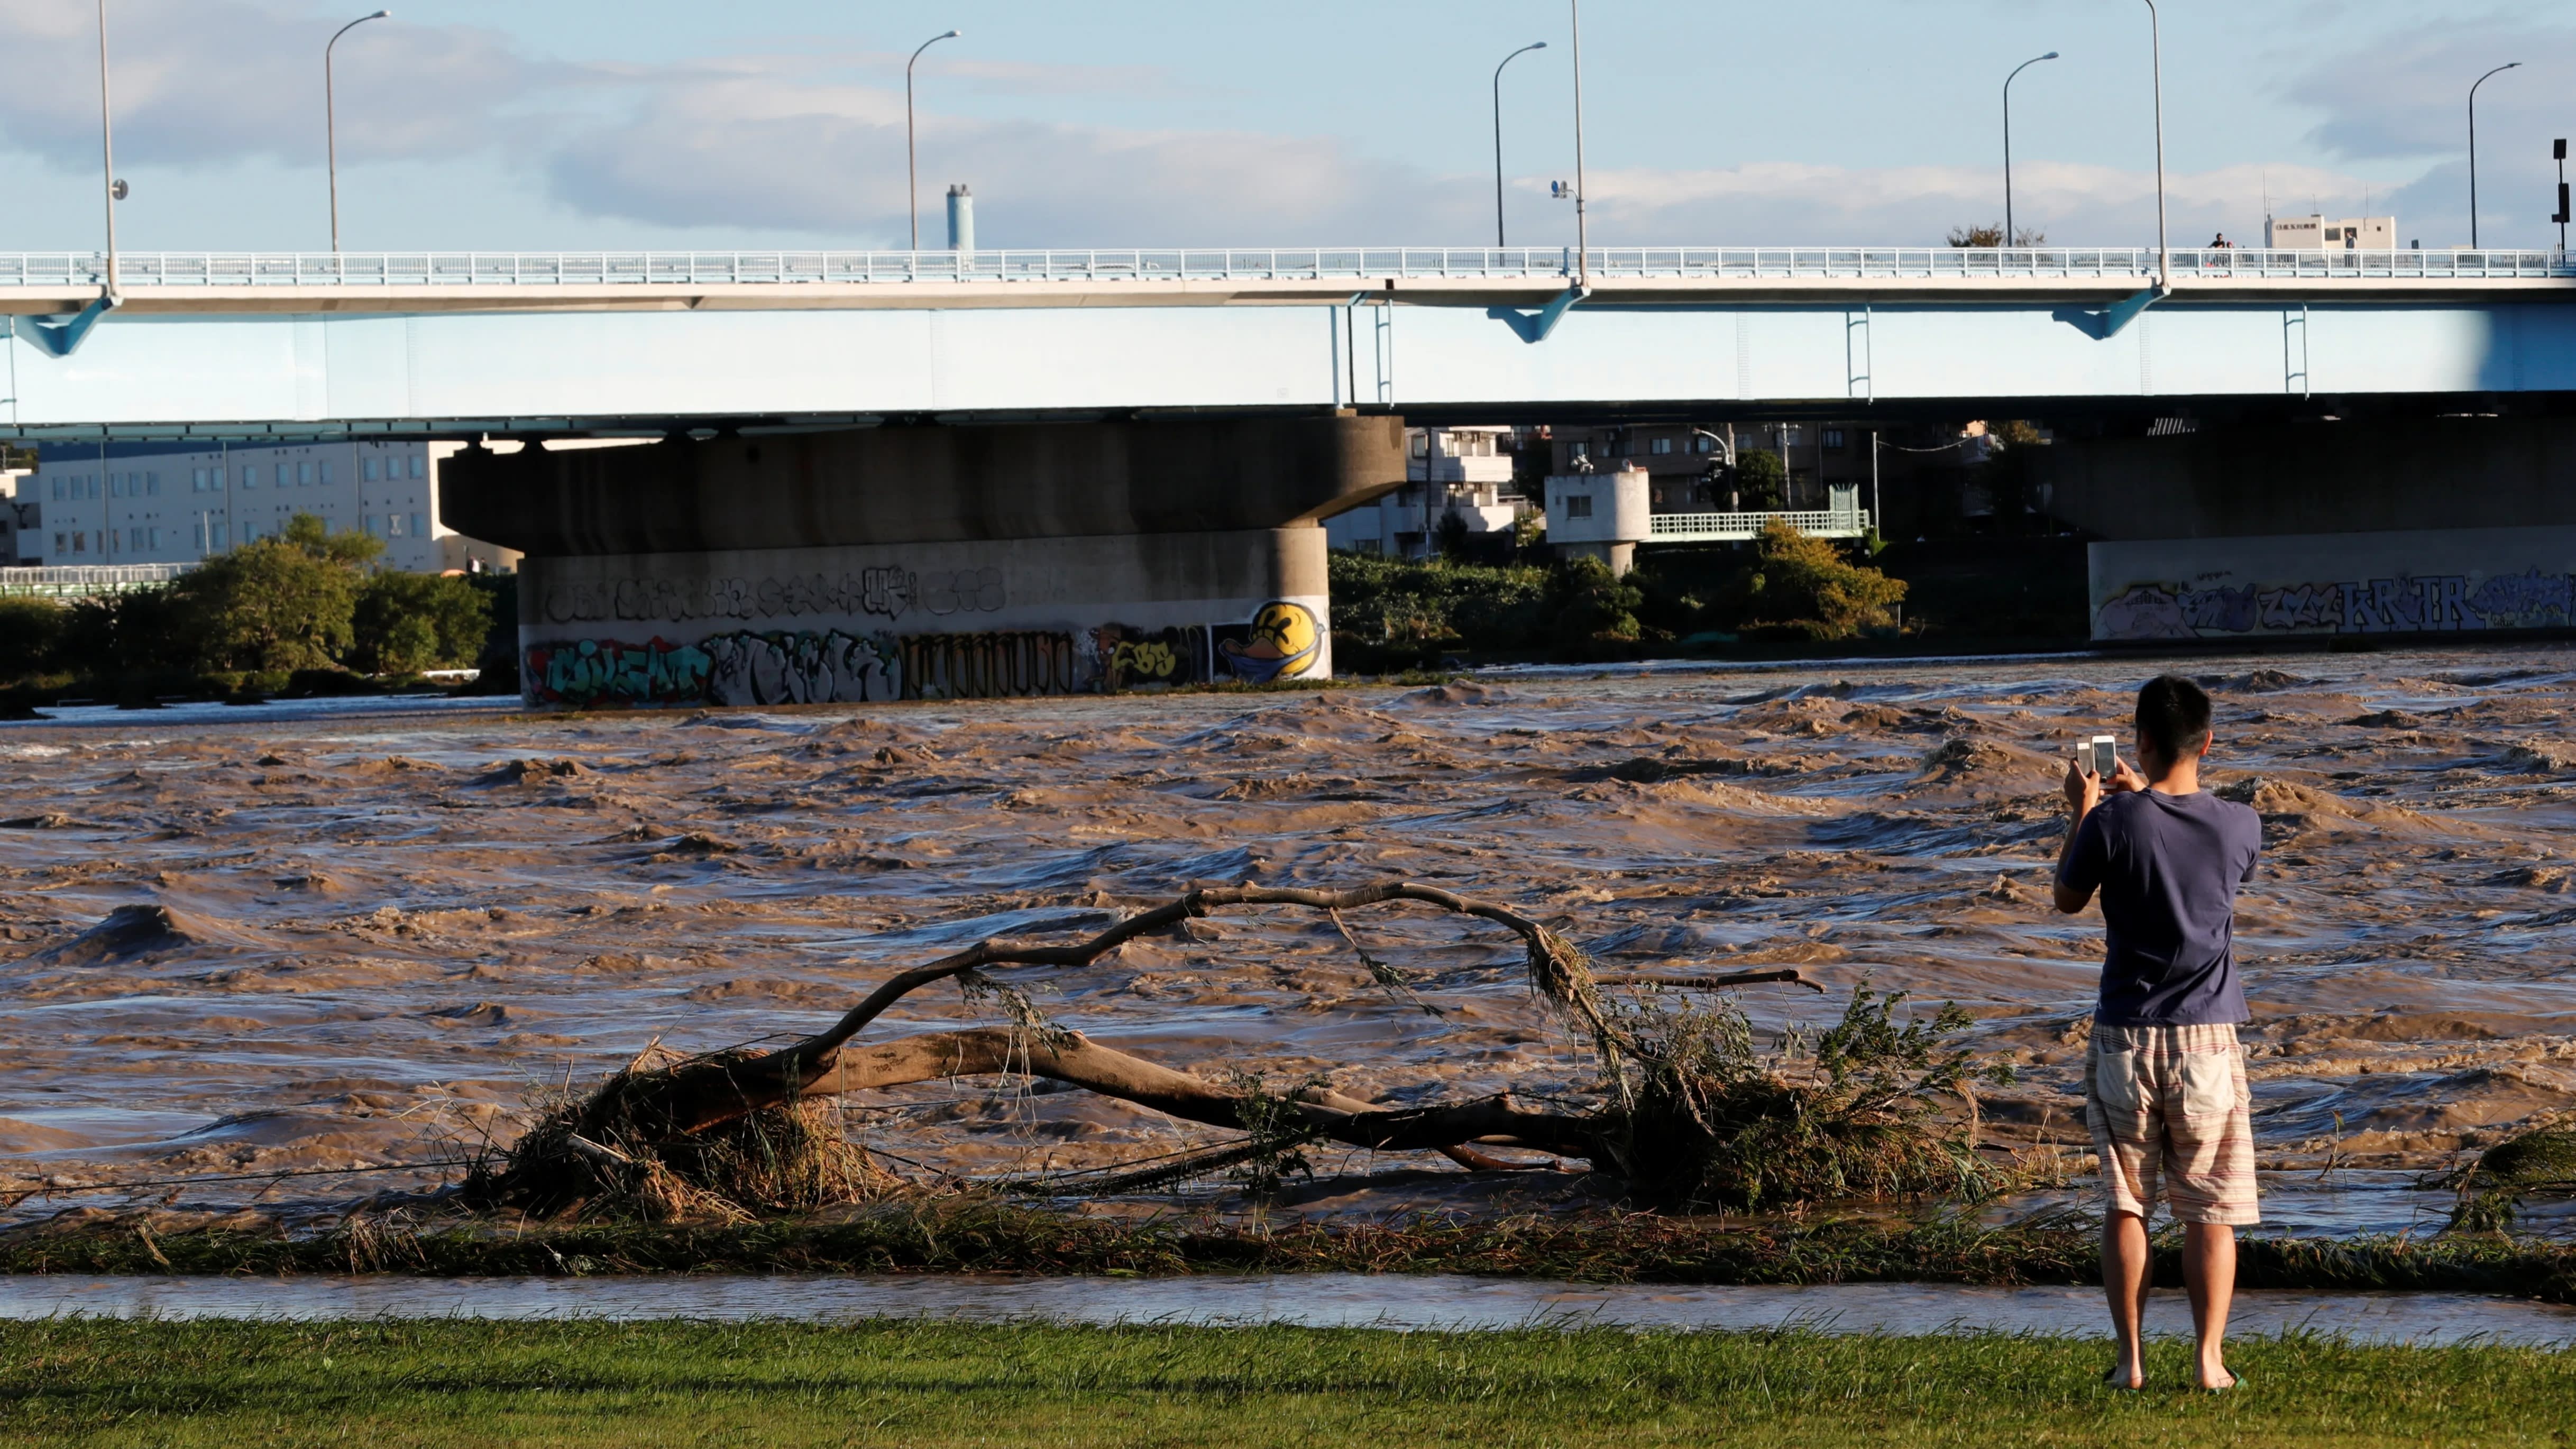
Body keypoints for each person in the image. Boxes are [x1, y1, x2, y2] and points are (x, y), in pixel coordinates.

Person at [2054, 675, 2261, 1392]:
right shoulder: (2243, 825)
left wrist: (2082, 813)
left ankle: (2130, 1362)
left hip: (2125, 1037)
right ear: (2207, 742)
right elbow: (2193, 856)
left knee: (2127, 1201)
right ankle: (2209, 1362)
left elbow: (2066, 899)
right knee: (2212, 1206)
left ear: (2138, 738)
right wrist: (2145, 790)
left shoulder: (2111, 824)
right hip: (2207, 1036)